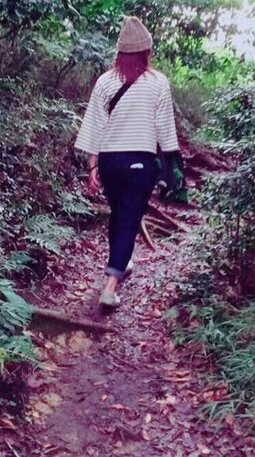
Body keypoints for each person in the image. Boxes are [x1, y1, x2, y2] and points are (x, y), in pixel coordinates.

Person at [75, 16, 179, 308]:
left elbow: (94, 125)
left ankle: (121, 261)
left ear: (120, 52)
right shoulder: (158, 82)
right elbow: (164, 128)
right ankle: (110, 287)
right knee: (129, 218)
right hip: (140, 163)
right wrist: (172, 165)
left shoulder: (105, 81)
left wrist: (92, 166)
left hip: (110, 162)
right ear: (147, 51)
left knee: (120, 214)